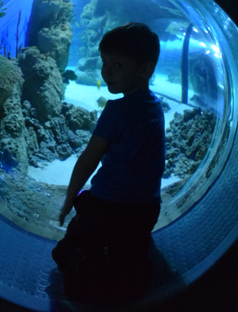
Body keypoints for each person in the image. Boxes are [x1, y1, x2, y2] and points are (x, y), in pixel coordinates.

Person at [52, 22, 166, 303]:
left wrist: (69, 199)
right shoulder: (156, 108)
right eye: (105, 63)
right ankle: (131, 273)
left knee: (64, 250)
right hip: (145, 211)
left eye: (117, 65)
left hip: (104, 208)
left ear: (145, 69)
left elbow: (88, 160)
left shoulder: (116, 110)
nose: (106, 72)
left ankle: (87, 269)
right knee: (130, 253)